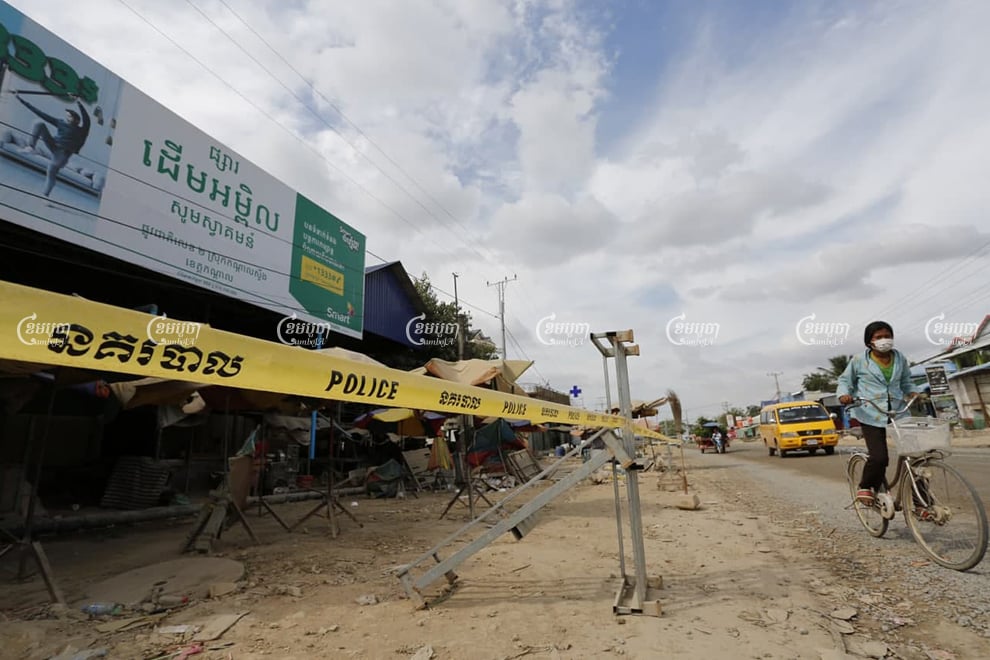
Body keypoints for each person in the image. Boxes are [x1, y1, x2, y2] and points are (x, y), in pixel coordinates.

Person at [837, 321, 920, 506]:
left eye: (887, 336)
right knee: (880, 457)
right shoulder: (859, 360)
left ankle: (923, 504)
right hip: (870, 412)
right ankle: (865, 486)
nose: (884, 340)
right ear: (869, 342)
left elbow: (906, 381)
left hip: (898, 412)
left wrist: (913, 392)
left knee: (916, 457)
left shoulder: (900, 358)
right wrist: (844, 394)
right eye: (878, 337)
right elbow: (845, 380)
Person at [11, 91, 91, 197]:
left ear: (76, 120)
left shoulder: (82, 130)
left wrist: (79, 102)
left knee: (51, 171)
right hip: (53, 144)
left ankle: (45, 195)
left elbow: (87, 120)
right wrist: (20, 100)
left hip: (62, 154)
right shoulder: (61, 123)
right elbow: (42, 114)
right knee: (39, 123)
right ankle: (30, 147)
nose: (67, 119)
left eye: (70, 117)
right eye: (67, 116)